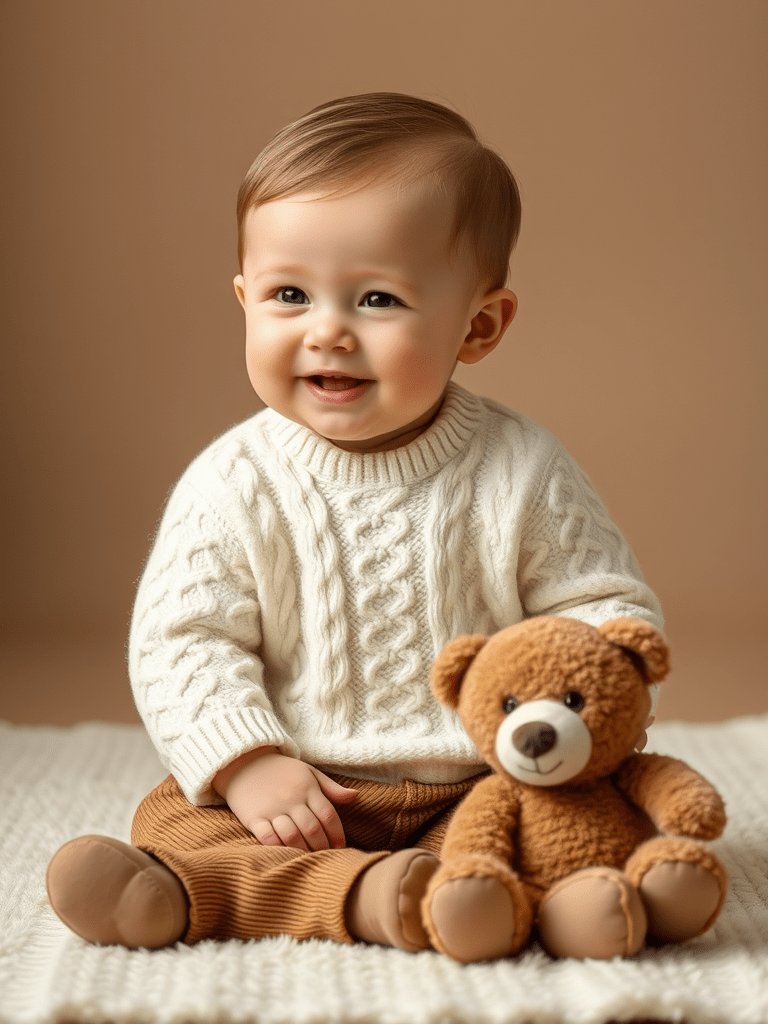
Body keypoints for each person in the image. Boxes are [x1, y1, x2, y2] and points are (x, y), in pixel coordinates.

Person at [46, 91, 663, 953]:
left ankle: (501, 894)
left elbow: (598, 600)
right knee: (184, 820)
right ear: (244, 300)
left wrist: (594, 686)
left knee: (579, 814)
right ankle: (346, 895)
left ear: (478, 325)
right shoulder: (234, 480)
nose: (327, 331)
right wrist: (248, 763)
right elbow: (182, 639)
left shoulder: (521, 467)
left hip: (479, 780)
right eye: (289, 295)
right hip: (300, 786)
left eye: (376, 300)